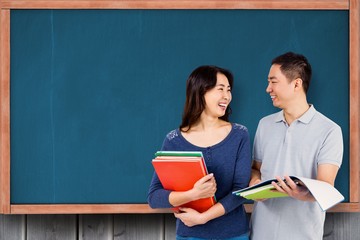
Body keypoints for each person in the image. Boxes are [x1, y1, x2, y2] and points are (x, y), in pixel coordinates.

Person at [147, 65, 251, 240]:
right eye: (220, 89)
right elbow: (154, 198)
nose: (227, 96)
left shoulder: (240, 134)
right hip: (190, 235)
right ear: (201, 91)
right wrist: (193, 194)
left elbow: (240, 191)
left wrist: (203, 218)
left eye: (229, 90)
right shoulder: (174, 140)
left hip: (234, 234)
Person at [250, 52, 343, 240]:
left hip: (303, 235)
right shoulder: (264, 124)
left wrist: (302, 194)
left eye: (273, 81)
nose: (268, 89)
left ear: (296, 84)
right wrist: (254, 183)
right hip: (260, 233)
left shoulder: (329, 130)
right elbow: (255, 169)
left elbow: (326, 186)